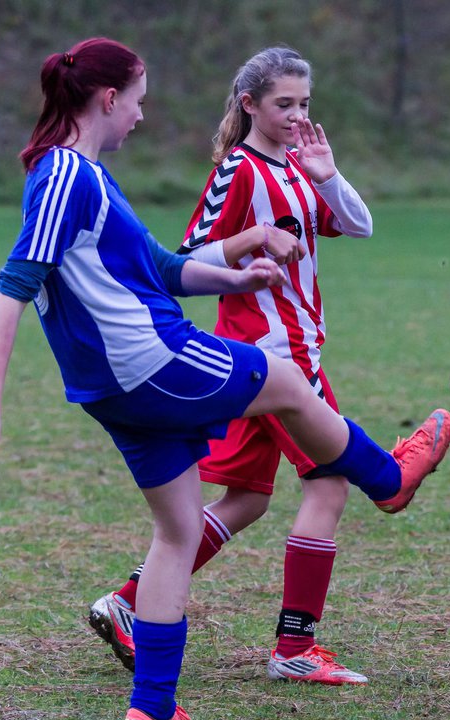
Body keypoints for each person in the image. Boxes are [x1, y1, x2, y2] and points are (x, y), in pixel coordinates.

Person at [0, 38, 450, 720]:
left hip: (111, 389)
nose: (141, 113)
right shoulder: (67, 174)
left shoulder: (84, 176)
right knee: (286, 381)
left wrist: (237, 278)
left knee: (178, 531)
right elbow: (15, 284)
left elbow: (165, 268)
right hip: (151, 359)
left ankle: (153, 709)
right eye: (138, 99)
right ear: (109, 99)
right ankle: (389, 477)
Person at [88, 46, 390, 686]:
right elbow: (185, 253)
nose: (296, 115)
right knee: (330, 485)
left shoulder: (300, 168)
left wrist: (328, 174)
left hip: (284, 347)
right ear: (249, 104)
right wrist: (252, 239)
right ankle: (295, 647)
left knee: (248, 498)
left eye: (305, 104)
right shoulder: (240, 170)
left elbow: (359, 226)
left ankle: (126, 601)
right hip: (273, 353)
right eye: (284, 104)